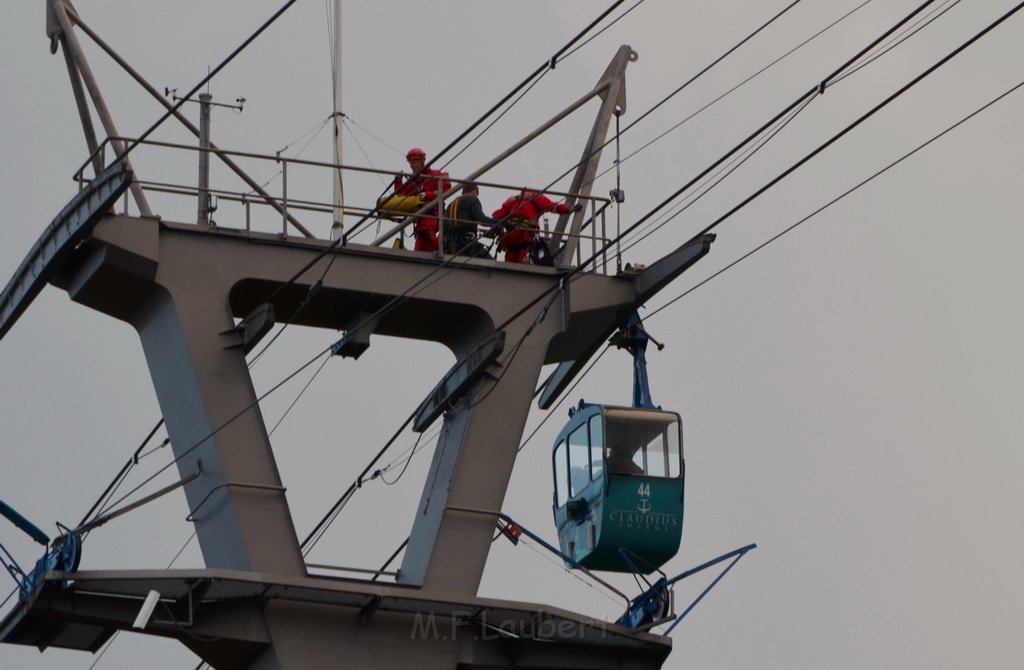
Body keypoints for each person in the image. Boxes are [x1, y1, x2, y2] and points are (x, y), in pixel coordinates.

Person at [490, 189, 582, 264]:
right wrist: (569, 209)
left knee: (512, 260)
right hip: (525, 236)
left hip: (512, 237)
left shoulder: (514, 200)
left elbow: (497, 217)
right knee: (521, 258)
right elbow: (553, 207)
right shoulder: (535, 198)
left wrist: (498, 232)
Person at [392, 147, 451, 252]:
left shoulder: (435, 175)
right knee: (420, 249)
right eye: (410, 163)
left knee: (425, 229)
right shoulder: (415, 181)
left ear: (422, 161)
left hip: (434, 214)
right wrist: (398, 182)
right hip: (421, 218)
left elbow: (446, 188)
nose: (411, 165)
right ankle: (436, 253)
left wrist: (427, 195)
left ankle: (445, 251)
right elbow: (401, 196)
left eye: (413, 162)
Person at [443, 182, 493, 258]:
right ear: (474, 192)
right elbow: (482, 220)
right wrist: (502, 223)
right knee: (490, 264)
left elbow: (444, 227)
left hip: (450, 246)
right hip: (467, 245)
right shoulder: (472, 199)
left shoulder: (451, 205)